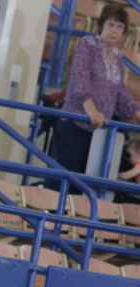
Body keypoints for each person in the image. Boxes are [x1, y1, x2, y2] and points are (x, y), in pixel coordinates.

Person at [50, 4, 140, 188]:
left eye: (120, 27)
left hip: (98, 131)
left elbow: (119, 91)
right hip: (75, 123)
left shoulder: (117, 57)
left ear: (124, 32)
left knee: (86, 184)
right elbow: (79, 78)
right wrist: (91, 110)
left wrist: (135, 111)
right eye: (111, 24)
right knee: (65, 182)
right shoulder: (87, 45)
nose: (114, 30)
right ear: (101, 25)